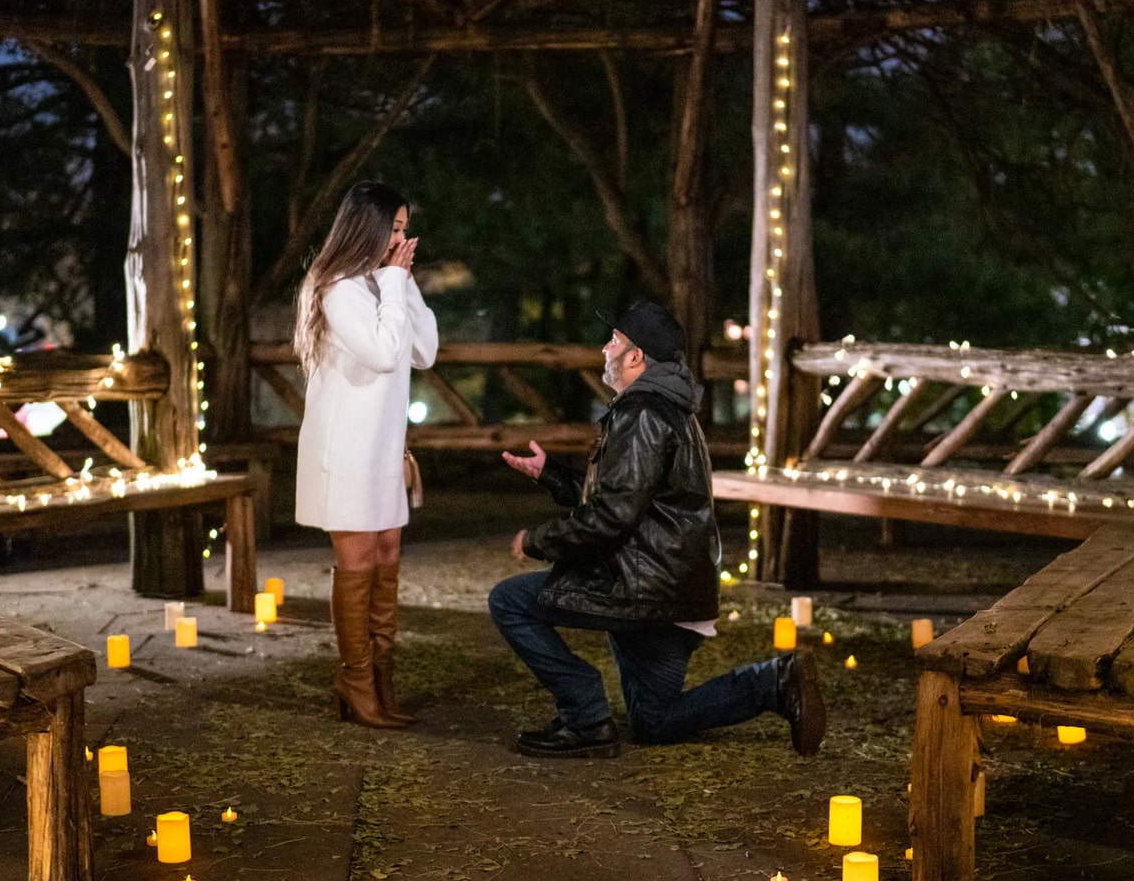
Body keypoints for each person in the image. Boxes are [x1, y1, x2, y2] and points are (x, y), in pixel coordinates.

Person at [490, 301, 826, 758]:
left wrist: (536, 541)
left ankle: (585, 717)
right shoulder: (665, 407)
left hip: (647, 592)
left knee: (510, 601)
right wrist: (552, 475)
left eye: (614, 341)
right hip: (668, 590)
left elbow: (613, 515)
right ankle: (772, 681)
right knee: (656, 720)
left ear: (635, 357)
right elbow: (629, 500)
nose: (605, 349)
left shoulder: (644, 412)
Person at [294, 181, 438, 729]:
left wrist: (405, 285)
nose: (403, 238)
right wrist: (394, 284)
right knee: (357, 564)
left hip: (384, 448)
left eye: (404, 228)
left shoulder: (384, 284)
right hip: (347, 451)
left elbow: (424, 351)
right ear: (369, 228)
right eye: (395, 229)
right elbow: (381, 354)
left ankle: (381, 679)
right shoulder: (336, 288)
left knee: (386, 560)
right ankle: (355, 680)